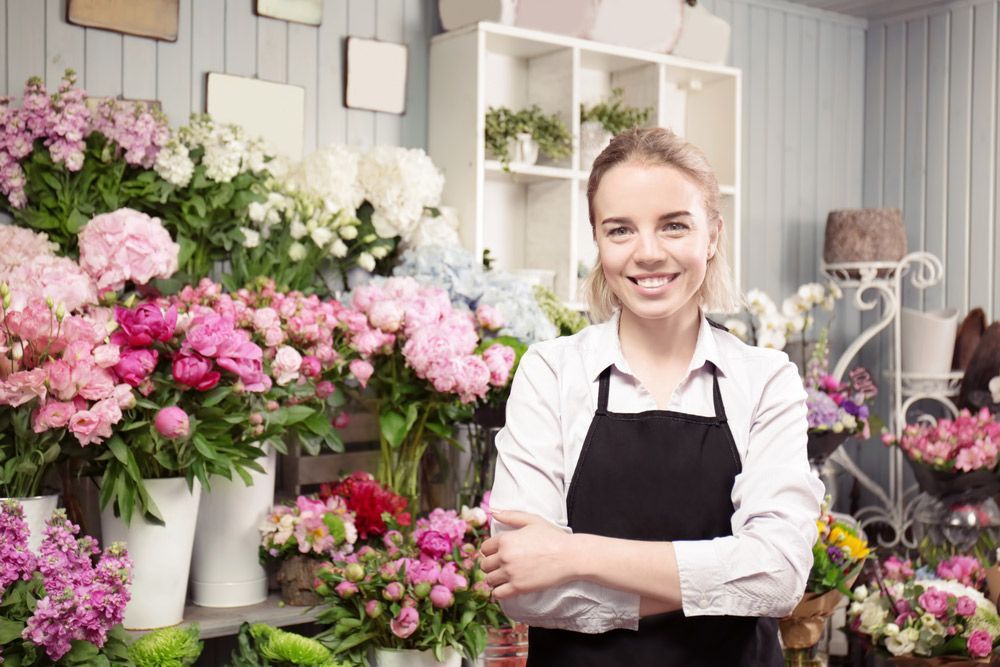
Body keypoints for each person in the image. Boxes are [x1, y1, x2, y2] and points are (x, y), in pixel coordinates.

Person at [480, 127, 824, 666]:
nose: (647, 253)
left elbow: (778, 577)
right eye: (620, 230)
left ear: (712, 235)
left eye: (673, 226)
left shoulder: (765, 380)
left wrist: (574, 554)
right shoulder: (550, 373)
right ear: (596, 240)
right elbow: (525, 588)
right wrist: (719, 581)